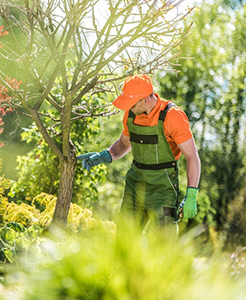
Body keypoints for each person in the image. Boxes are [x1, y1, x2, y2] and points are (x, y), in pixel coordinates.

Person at [78, 74, 201, 234]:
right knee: (124, 241)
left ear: (145, 100)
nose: (128, 108)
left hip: (162, 190)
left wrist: (191, 194)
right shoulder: (131, 114)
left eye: (131, 104)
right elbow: (123, 144)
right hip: (135, 186)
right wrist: (105, 155)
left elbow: (192, 156)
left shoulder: (172, 116)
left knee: (163, 244)